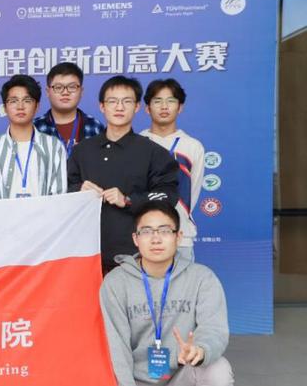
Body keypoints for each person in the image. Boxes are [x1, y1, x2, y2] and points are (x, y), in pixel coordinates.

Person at [100, 200, 233, 386]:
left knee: (218, 369)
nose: (156, 238)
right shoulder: (116, 282)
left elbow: (214, 328)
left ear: (178, 236)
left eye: (164, 230)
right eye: (147, 231)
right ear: (135, 239)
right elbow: (117, 347)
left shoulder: (201, 278)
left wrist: (200, 350)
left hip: (179, 381)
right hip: (135, 384)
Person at [67, 75, 179, 274]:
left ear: (137, 107)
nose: (119, 107)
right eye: (112, 101)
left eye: (127, 101)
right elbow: (62, 191)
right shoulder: (82, 150)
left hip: (133, 255)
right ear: (102, 106)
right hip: (85, 252)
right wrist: (78, 189)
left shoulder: (153, 152)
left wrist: (128, 200)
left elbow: (168, 195)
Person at [141, 79, 205, 261]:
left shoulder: (192, 146)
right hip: (142, 236)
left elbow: (192, 193)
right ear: (147, 108)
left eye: (171, 101)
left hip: (180, 237)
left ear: (180, 107)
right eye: (157, 101)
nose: (164, 106)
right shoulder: (137, 143)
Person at [0, 75, 67, 200]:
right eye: (13, 101)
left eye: (27, 100)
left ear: (37, 106)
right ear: (5, 108)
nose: (20, 106)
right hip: (2, 213)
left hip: (44, 213)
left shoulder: (53, 147)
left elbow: (59, 197)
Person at [34, 62, 105, 156]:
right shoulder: (35, 128)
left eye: (72, 87)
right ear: (48, 92)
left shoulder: (95, 126)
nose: (65, 92)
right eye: (58, 87)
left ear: (81, 91)